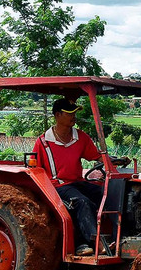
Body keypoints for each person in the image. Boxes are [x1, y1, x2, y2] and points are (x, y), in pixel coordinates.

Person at [33, 97, 103, 256]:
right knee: (82, 201)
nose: (73, 116)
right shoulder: (43, 142)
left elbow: (97, 157)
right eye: (69, 113)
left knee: (107, 193)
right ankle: (95, 243)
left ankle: (118, 236)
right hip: (57, 186)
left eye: (75, 113)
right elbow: (36, 171)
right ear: (57, 115)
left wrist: (112, 160)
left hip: (77, 182)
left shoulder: (81, 137)